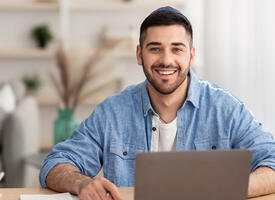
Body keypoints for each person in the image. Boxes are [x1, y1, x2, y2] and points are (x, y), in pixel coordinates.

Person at [40, 6, 275, 200]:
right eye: (155, 49)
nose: (166, 60)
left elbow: (272, 161)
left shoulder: (225, 109)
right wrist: (83, 184)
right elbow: (55, 164)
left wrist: (226, 190)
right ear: (139, 54)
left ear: (191, 55)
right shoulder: (112, 112)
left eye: (176, 49)